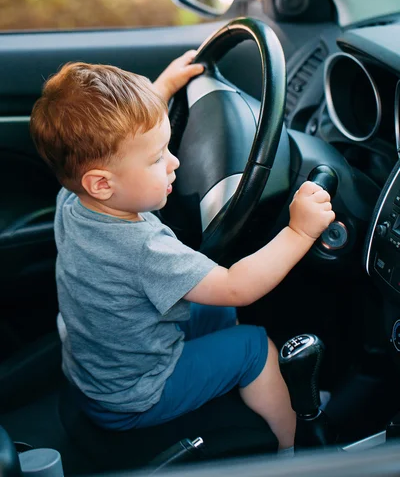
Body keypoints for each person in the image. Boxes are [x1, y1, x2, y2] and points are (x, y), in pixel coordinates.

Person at [30, 50, 335, 453]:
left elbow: (118, 138)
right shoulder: (145, 249)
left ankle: (228, 387)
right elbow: (235, 287)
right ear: (102, 184)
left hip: (97, 373)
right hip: (136, 396)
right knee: (254, 346)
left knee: (215, 312)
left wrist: (164, 89)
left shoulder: (72, 201)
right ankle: (289, 447)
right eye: (157, 158)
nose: (174, 162)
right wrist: (299, 231)